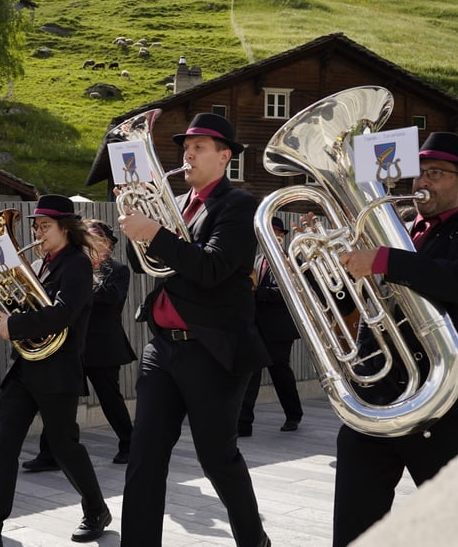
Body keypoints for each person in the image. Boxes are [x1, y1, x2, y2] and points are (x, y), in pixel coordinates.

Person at [334, 132, 458, 546]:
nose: (421, 183)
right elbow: (344, 302)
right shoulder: (386, 232)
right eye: (419, 173)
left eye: (435, 173)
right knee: (354, 524)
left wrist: (384, 258)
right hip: (376, 396)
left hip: (442, 399)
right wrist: (325, 265)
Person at [117, 112, 271, 547]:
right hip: (162, 348)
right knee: (144, 458)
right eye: (186, 147)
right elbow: (146, 266)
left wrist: (157, 232)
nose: (188, 153)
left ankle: (254, 541)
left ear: (225, 157)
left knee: (217, 458)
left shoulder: (239, 204)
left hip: (213, 348)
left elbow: (213, 268)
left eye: (199, 147)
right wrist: (137, 226)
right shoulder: (177, 203)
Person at [0, 195, 111, 547]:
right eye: (36, 226)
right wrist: (5, 302)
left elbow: (63, 314)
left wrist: (16, 325)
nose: (38, 232)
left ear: (65, 228)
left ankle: (97, 509)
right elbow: (19, 305)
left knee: (66, 448)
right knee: (4, 451)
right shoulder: (38, 265)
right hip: (25, 369)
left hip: (57, 370)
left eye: (45, 226)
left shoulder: (77, 265)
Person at [22, 218, 136, 471]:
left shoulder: (117, 269)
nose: (94, 244)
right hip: (73, 344)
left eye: (100, 240)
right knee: (62, 402)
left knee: (110, 399)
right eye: (90, 239)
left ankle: (130, 444)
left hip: (104, 347)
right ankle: (49, 454)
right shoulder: (72, 267)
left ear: (108, 245)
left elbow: (111, 298)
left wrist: (85, 279)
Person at [238, 216, 304, 436]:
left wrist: (257, 292)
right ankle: (244, 424)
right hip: (256, 327)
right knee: (251, 374)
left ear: (283, 237)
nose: (273, 238)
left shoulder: (290, 261)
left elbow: (286, 294)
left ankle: (294, 415)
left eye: (277, 234)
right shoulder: (256, 260)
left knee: (280, 374)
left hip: (278, 330)